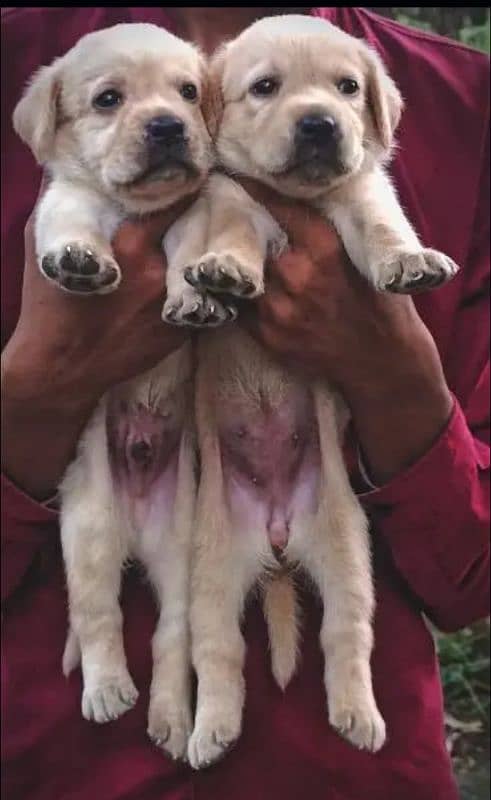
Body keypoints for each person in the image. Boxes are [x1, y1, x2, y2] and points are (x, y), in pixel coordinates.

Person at [1, 7, 489, 800]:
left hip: (349, 773)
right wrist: (38, 388)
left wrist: (391, 371)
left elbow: (470, 578)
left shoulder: (461, 105)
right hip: (50, 762)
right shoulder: (28, 67)